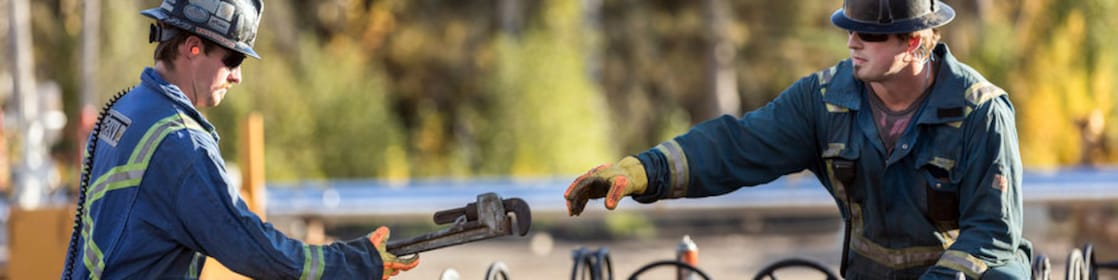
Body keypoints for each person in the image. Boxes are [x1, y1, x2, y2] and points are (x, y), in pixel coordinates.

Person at [564, 0, 1032, 279]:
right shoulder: (824, 101)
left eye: (868, 35)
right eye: (850, 31)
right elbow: (738, 145)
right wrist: (648, 171)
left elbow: (991, 233)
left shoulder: (980, 113)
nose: (852, 43)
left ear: (913, 43)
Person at [61, 0, 418, 279]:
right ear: (192, 48)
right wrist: (358, 263)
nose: (237, 77)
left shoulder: (127, 109)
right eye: (232, 58)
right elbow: (258, 252)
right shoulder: (180, 145)